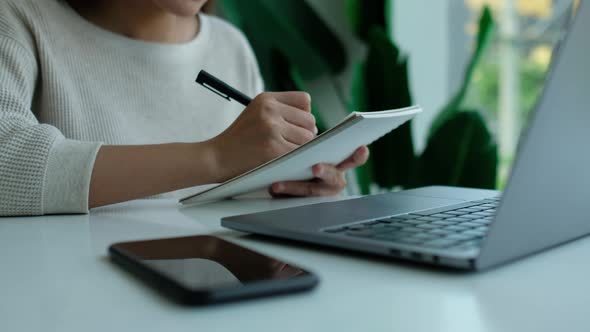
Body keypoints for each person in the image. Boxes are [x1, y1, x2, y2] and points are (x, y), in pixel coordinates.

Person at [0, 0, 369, 216]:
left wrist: (299, 182)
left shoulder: (230, 45)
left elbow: (242, 202)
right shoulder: (20, 19)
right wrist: (214, 157)